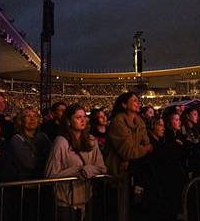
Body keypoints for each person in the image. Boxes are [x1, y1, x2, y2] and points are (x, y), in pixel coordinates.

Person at [45, 104, 106, 221]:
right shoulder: (60, 142)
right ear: (68, 121)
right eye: (78, 117)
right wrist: (78, 171)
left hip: (86, 198)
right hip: (66, 202)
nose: (83, 120)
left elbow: (102, 168)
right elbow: (50, 175)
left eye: (84, 116)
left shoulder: (92, 140)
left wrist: (88, 169)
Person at [104, 92, 152, 221]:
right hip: (118, 175)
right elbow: (128, 151)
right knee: (120, 212)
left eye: (138, 100)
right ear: (124, 104)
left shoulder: (139, 122)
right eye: (134, 100)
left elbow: (148, 145)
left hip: (134, 172)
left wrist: (133, 154)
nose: (138, 103)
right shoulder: (117, 123)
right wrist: (140, 151)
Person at [8, 106, 51, 180]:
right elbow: (29, 163)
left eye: (35, 116)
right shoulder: (16, 139)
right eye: (28, 116)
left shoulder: (43, 136)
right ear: (21, 120)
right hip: (25, 183)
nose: (32, 119)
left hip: (43, 181)